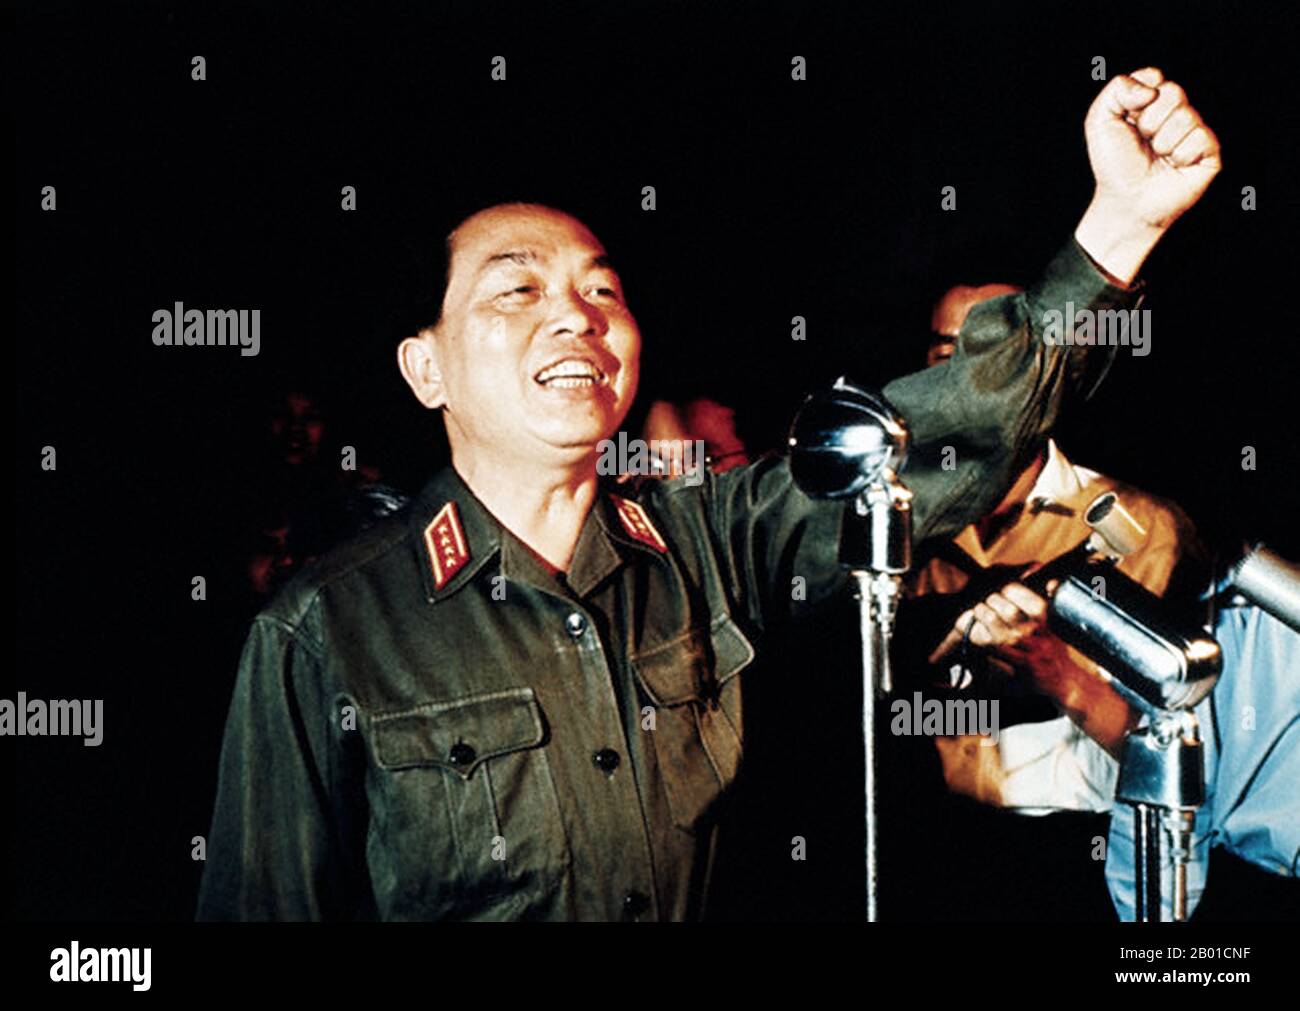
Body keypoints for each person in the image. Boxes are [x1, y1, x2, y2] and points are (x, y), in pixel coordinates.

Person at [197, 68, 1221, 920]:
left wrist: (1116, 230)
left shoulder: (708, 540)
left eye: (601, 290)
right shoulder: (326, 630)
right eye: (517, 290)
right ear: (426, 372)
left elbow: (945, 435)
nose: (576, 318)